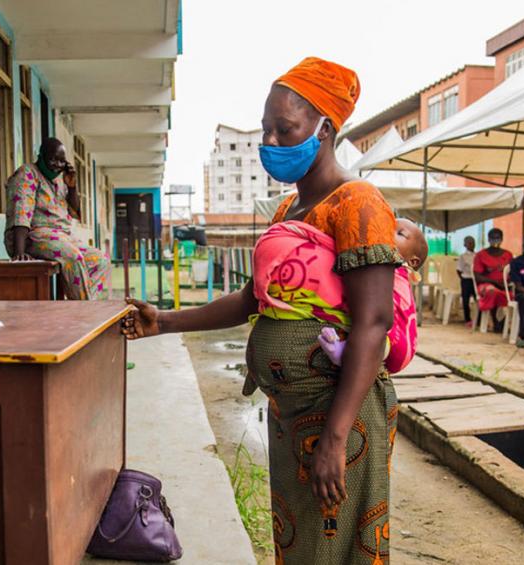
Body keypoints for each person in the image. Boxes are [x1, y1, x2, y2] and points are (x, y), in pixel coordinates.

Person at [122, 57, 399, 564]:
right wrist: (164, 322)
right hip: (290, 414)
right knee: (298, 546)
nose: (270, 140)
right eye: (266, 129)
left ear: (325, 128)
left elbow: (373, 323)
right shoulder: (285, 211)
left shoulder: (357, 204)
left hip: (338, 415)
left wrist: (336, 440)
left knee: (334, 550)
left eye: (284, 128)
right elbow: (255, 299)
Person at [316, 218, 429, 373]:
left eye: (400, 234)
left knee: (375, 331)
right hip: (392, 345)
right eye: (387, 228)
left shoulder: (398, 270)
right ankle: (344, 348)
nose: (388, 233)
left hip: (398, 346)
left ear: (412, 261)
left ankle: (345, 355)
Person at [4, 138, 110, 300]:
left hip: (63, 237)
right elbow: (21, 211)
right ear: (41, 156)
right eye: (53, 159)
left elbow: (75, 213)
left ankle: (82, 305)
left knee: (101, 260)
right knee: (73, 257)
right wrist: (19, 252)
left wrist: (72, 186)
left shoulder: (60, 181)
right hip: (34, 236)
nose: (58, 165)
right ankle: (84, 309)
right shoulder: (28, 173)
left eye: (62, 161)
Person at [472, 228, 513, 332]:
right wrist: (494, 282)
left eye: (497, 238)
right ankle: (497, 322)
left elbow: (513, 273)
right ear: (488, 239)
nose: (495, 240)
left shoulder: (508, 255)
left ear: (502, 239)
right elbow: (477, 276)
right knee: (492, 291)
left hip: (504, 286)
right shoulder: (481, 255)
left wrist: (507, 283)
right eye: (493, 238)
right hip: (486, 285)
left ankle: (504, 322)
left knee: (517, 296)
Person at [457, 236, 477, 327]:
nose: (471, 244)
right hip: (466, 279)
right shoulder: (462, 256)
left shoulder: (477, 256)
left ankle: (478, 319)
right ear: (465, 244)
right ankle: (467, 319)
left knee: (478, 299)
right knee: (466, 300)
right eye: (469, 243)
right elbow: (459, 270)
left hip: (475, 280)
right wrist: (463, 279)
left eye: (472, 242)